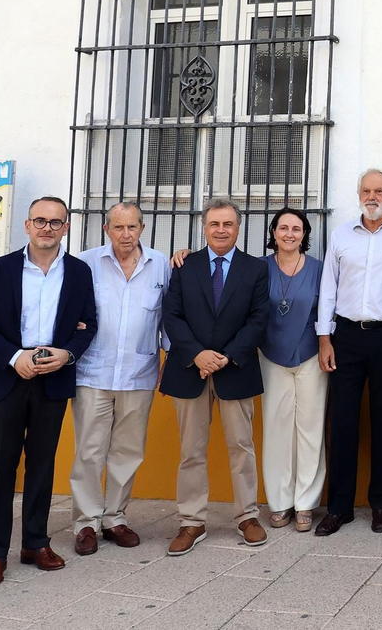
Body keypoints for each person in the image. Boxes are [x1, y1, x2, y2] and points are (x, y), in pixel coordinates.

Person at [0, 195, 97, 588]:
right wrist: (12, 356)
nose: (47, 228)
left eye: (56, 222)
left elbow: (88, 323)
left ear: (66, 228)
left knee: (42, 466)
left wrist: (68, 353)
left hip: (53, 379)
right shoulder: (0, 269)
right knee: (1, 469)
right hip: (6, 379)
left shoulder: (78, 273)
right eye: (40, 220)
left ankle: (36, 542)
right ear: (27, 225)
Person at [315, 168, 382, 536]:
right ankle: (340, 507)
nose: (372, 196)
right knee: (342, 422)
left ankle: (381, 505)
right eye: (366, 190)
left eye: (379, 191)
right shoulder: (341, 233)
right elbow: (328, 287)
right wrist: (324, 337)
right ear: (358, 194)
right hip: (345, 336)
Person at [160, 198, 272, 556]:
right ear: (204, 228)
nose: (221, 230)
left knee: (241, 447)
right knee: (191, 450)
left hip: (235, 368)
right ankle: (191, 520)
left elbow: (258, 319)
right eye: (214, 224)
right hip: (189, 368)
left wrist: (225, 357)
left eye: (228, 224)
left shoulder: (255, 269)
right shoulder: (184, 265)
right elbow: (172, 315)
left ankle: (247, 516)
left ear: (238, 228)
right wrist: (197, 354)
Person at [70, 202, 170, 557]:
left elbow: (168, 317)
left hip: (139, 372)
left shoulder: (160, 264)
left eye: (132, 228)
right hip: (92, 371)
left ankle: (115, 518)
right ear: (106, 230)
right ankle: (86, 523)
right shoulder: (84, 263)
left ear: (142, 228)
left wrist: (168, 357)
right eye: (118, 228)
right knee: (89, 451)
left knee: (128, 452)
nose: (125, 235)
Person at [259, 207, 326, 533]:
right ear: (273, 233)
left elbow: (328, 312)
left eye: (296, 229)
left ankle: (305, 503)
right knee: (276, 430)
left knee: (310, 430)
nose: (289, 234)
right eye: (283, 228)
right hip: (270, 358)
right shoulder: (260, 268)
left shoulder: (319, 269)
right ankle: (279, 501)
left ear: (304, 234)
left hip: (311, 357)